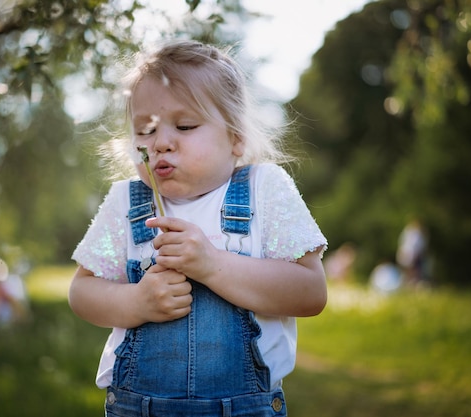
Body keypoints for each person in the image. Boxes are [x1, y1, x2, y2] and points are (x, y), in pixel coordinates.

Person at [68, 39, 328, 417]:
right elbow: (81, 290)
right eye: (144, 130)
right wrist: (136, 302)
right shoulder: (127, 202)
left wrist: (212, 265)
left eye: (185, 125)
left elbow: (310, 292)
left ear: (236, 137)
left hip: (245, 408)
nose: (160, 143)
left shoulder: (264, 189)